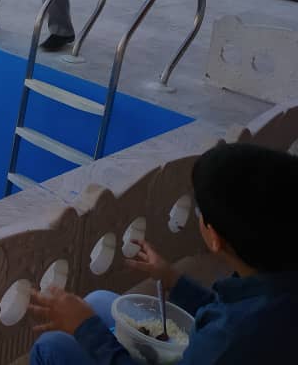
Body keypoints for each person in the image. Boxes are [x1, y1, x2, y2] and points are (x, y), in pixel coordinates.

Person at [27, 141, 298, 364]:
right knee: (99, 300)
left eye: (199, 210)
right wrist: (173, 280)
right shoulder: (275, 280)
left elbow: (230, 325)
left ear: (215, 238)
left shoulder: (226, 341)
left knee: (50, 346)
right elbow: (232, 308)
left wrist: (84, 326)